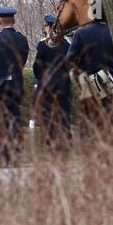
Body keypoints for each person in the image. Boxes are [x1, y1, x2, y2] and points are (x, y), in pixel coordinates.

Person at [66, 5, 113, 132]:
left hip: (91, 81)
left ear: (93, 14)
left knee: (90, 122)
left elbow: (70, 60)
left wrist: (81, 70)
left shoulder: (81, 33)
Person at [0, 6, 30, 162]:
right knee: (15, 119)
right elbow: (23, 60)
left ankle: (3, 155)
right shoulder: (22, 39)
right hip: (16, 84)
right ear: (14, 21)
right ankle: (16, 152)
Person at [33, 15, 72, 148]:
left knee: (49, 116)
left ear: (50, 27)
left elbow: (36, 67)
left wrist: (43, 79)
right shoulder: (67, 45)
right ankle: (66, 145)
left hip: (48, 86)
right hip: (64, 86)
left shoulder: (43, 45)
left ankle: (51, 145)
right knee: (64, 115)